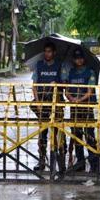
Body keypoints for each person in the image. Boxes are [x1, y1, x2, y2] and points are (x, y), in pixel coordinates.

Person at [31, 42, 65, 172]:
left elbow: (64, 83)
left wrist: (57, 83)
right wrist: (38, 102)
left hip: (57, 103)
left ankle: (61, 162)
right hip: (42, 103)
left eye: (49, 51)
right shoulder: (39, 65)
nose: (47, 54)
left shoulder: (59, 65)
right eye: (45, 51)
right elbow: (34, 85)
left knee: (59, 132)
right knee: (42, 132)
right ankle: (42, 160)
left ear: (54, 53)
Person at [64, 48, 99, 174]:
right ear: (73, 60)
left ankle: (94, 164)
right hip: (74, 108)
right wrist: (71, 98)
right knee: (76, 135)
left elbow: (90, 91)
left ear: (84, 59)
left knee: (89, 136)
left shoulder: (90, 72)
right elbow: (66, 89)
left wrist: (79, 100)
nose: (78, 60)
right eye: (76, 58)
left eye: (80, 58)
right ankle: (80, 163)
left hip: (87, 107)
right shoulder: (71, 73)